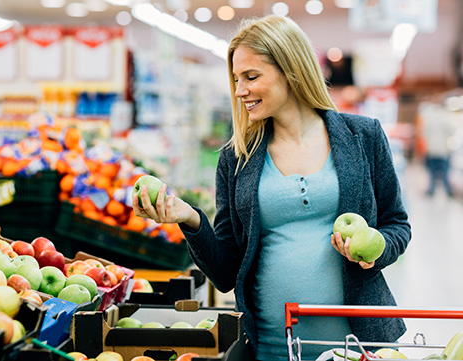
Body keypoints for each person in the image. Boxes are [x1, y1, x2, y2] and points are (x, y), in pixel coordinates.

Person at [132, 15, 411, 361]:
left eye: (251, 77)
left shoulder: (364, 136)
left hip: (360, 346)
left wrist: (375, 249)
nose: (239, 91)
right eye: (236, 78)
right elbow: (225, 272)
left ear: (292, 71)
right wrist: (190, 219)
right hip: (273, 348)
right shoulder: (236, 159)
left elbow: (397, 225)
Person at [421, 102, 455, 197]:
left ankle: (431, 190)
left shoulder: (429, 119)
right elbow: (451, 131)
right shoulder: (445, 118)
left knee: (431, 171)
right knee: (445, 171)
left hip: (431, 149)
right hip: (443, 150)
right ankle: (448, 190)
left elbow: (425, 133)